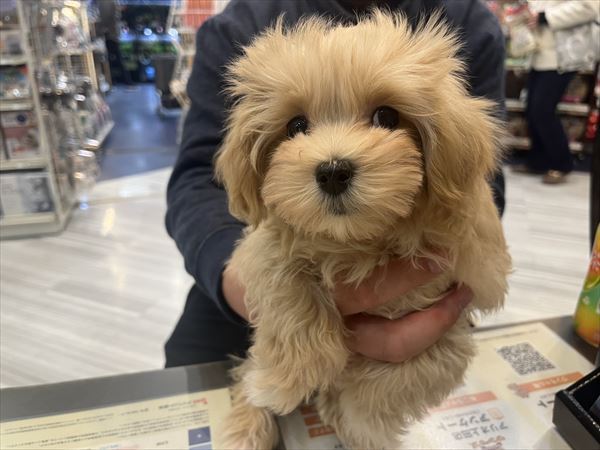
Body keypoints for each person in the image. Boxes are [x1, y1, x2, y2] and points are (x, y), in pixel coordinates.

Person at [164, 0, 506, 368]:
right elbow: (198, 176)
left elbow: (477, 180)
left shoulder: (470, 22)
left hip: (422, 284)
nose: (333, 159)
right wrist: (252, 291)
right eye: (297, 128)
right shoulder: (239, 24)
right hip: (249, 287)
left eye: (385, 118)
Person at [517, 0, 598, 184]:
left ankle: (561, 163)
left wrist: (545, 17)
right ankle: (539, 161)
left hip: (561, 55)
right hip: (540, 52)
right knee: (532, 109)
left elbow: (589, 7)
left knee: (542, 110)